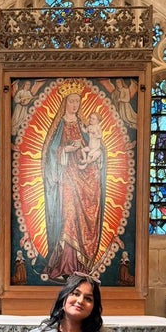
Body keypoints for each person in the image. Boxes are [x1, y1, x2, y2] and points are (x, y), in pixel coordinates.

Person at [42, 90, 106, 280]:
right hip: (66, 177)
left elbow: (96, 146)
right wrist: (66, 149)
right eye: (72, 101)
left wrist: (97, 156)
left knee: (81, 219)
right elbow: (51, 151)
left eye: (78, 101)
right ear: (65, 103)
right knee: (69, 216)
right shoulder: (60, 124)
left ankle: (80, 267)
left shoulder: (83, 124)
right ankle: (65, 266)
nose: (75, 105)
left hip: (83, 176)